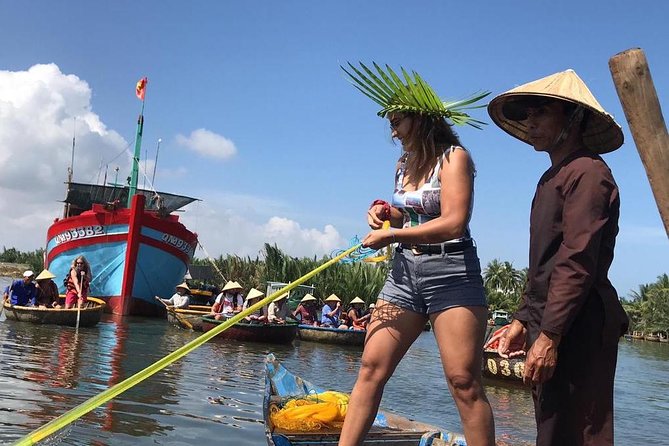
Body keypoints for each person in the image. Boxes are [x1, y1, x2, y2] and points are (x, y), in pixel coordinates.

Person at [339, 63, 494, 446]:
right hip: (404, 273)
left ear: (421, 118)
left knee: (464, 382)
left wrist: (393, 234)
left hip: (452, 271)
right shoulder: (403, 164)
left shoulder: (455, 158)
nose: (392, 129)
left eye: (398, 120)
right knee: (371, 368)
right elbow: (408, 213)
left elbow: (454, 221)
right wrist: (384, 213)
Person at [487, 69, 630, 446]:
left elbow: (577, 259)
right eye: (527, 116)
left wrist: (550, 334)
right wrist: (521, 318)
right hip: (550, 317)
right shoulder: (552, 177)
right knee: (551, 424)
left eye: (540, 113)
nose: (530, 123)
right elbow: (543, 264)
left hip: (577, 322)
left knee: (579, 428)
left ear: (574, 118)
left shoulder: (589, 173)